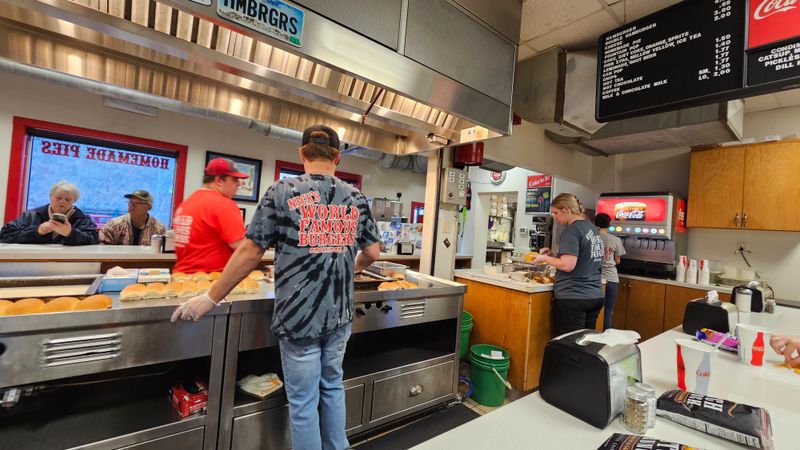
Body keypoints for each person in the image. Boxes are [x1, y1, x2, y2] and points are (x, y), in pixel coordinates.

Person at [171, 125, 381, 450]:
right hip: (339, 315)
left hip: (299, 320)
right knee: (332, 387)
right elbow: (372, 253)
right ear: (338, 157)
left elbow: (251, 251)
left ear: (301, 154)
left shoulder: (282, 191)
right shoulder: (355, 197)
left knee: (303, 403)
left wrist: (211, 297)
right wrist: (344, 271)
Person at [533, 193, 604, 336]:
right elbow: (583, 257)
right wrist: (554, 256)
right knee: (586, 343)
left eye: (556, 213)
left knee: (570, 345)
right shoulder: (591, 228)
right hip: (594, 296)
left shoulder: (571, 230)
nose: (555, 217)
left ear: (566, 209)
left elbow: (567, 265)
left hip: (574, 296)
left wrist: (544, 258)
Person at [172, 158, 249, 273]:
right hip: (210, 279)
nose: (239, 184)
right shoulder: (224, 205)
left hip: (181, 277)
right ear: (219, 181)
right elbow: (242, 249)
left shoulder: (187, 203)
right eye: (235, 179)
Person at [0, 181, 98, 245]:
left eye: (68, 199)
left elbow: (94, 241)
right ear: (50, 197)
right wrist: (37, 232)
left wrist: (70, 233)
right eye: (58, 198)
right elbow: (5, 235)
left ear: (74, 201)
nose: (62, 201)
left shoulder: (83, 219)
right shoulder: (31, 215)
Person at [99, 190, 166, 246]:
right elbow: (101, 246)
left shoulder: (159, 229)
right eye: (130, 202)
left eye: (136, 203)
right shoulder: (114, 225)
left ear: (149, 207)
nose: (131, 206)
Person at [594, 212, 626, 330]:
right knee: (608, 312)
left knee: (595, 311)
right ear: (609, 224)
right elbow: (618, 261)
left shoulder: (592, 238)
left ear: (595, 223)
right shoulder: (615, 240)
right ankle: (606, 340)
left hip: (595, 278)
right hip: (611, 278)